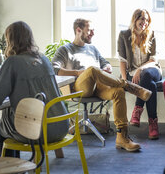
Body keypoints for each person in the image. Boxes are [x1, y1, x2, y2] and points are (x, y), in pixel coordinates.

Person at [52, 18, 152, 152]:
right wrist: (78, 72)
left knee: (118, 92)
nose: (93, 33)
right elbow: (54, 69)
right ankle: (131, 86)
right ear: (78, 30)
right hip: (79, 87)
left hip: (98, 87)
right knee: (92, 70)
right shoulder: (65, 50)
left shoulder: (92, 49)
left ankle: (122, 137)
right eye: (90, 30)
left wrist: (107, 68)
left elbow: (105, 63)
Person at [0, 21, 69, 157]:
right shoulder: (44, 59)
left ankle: (12, 169)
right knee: (11, 114)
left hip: (40, 131)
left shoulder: (13, 62)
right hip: (62, 125)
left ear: (10, 40)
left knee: (2, 125)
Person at [118, 9, 162, 139]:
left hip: (152, 69)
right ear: (135, 19)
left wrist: (140, 69)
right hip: (133, 73)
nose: (144, 22)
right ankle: (153, 124)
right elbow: (122, 61)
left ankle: (137, 110)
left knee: (146, 76)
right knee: (151, 86)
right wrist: (125, 81)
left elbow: (153, 59)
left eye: (147, 20)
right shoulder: (124, 35)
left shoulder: (151, 34)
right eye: (142, 19)